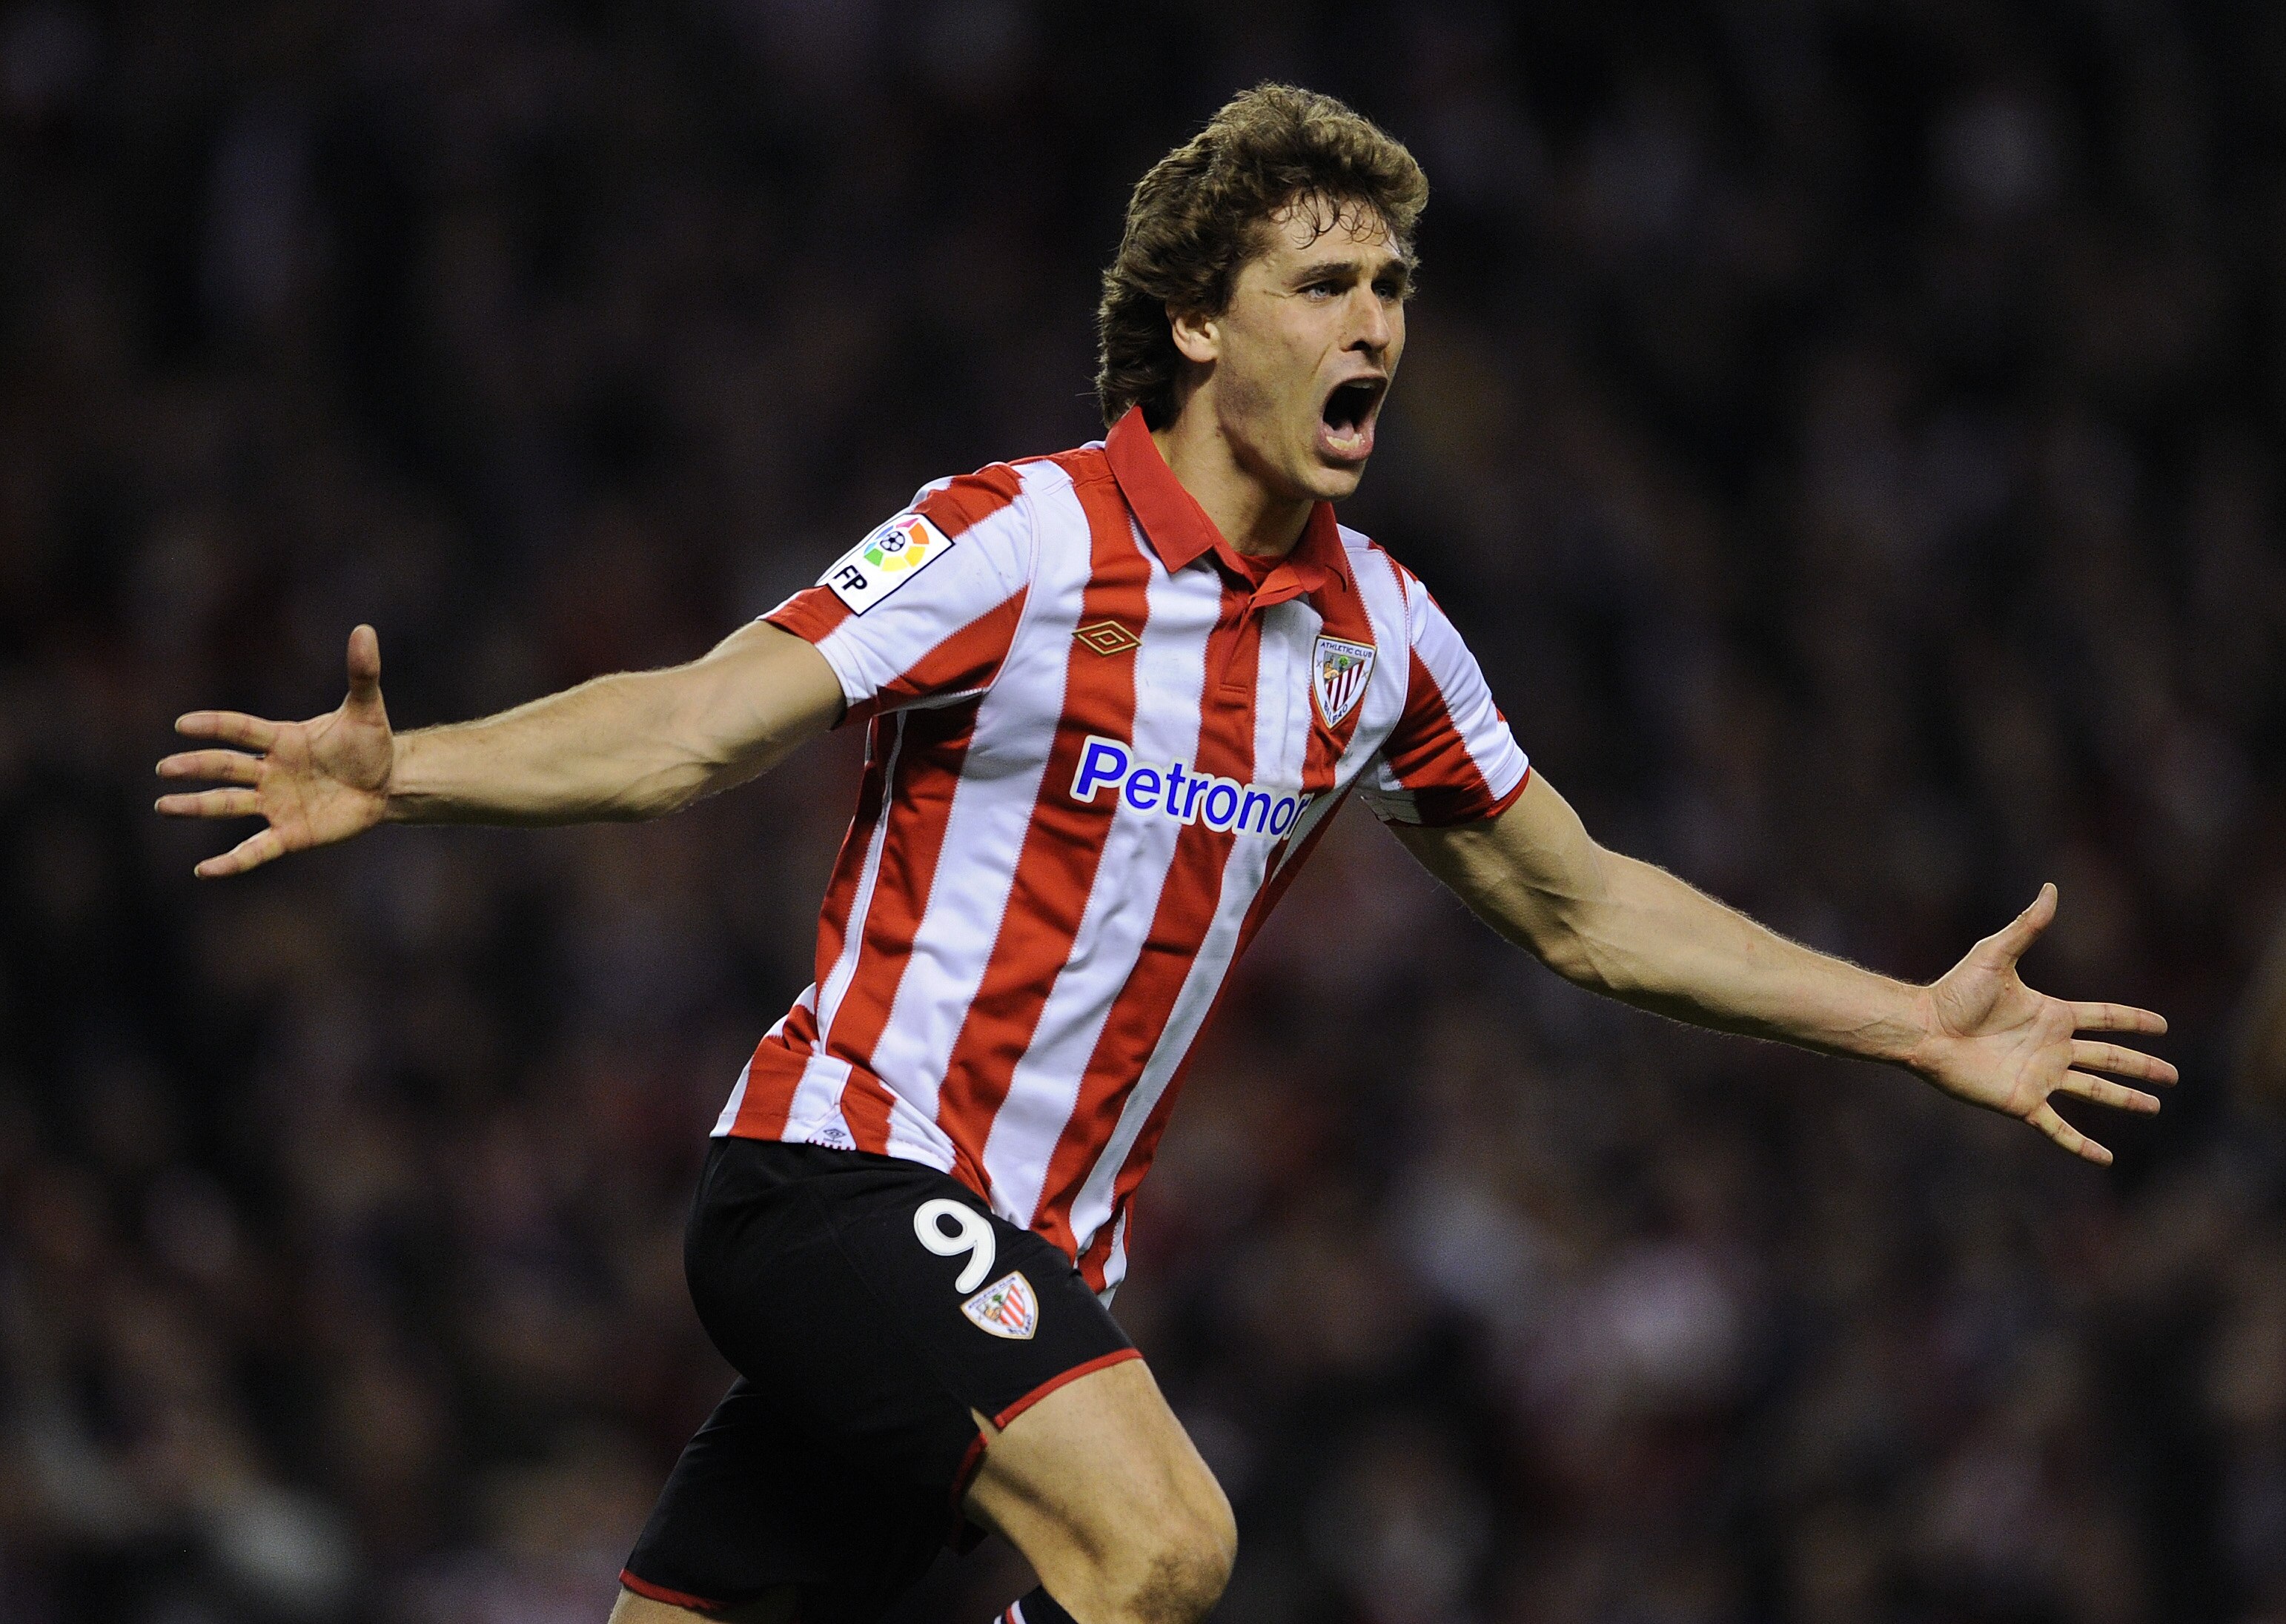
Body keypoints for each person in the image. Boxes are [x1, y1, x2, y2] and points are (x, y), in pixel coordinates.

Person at [155, 84, 2176, 1624]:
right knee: (1163, 1546)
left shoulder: (1380, 638)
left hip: (1019, 1270)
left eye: (1393, 287)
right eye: (1325, 284)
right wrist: (406, 775)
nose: (1377, 322)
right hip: (844, 1183)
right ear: (1199, 322)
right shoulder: (1018, 537)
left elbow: (1583, 907)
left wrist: (1909, 1021)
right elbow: (693, 724)